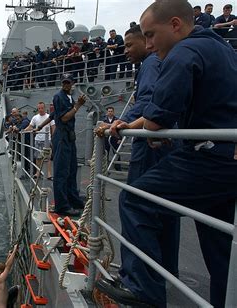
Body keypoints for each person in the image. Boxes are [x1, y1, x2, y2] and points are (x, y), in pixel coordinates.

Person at [96, 1, 237, 307]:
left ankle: (144, 291)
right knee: (221, 249)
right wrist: (135, 122)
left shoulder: (183, 53)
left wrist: (132, 125)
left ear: (175, 25)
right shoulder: (222, 48)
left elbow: (158, 119)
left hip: (206, 157)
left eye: (150, 35)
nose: (148, 45)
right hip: (229, 160)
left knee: (135, 199)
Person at [97, 23, 181, 280]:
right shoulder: (159, 63)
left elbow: (147, 102)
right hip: (168, 145)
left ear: (145, 42)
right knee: (165, 209)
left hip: (151, 145)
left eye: (129, 45)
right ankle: (165, 271)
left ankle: (138, 280)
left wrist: (116, 124)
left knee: (135, 204)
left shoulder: (150, 65)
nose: (125, 51)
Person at [51, 73, 86, 216]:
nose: (66, 84)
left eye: (68, 82)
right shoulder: (59, 97)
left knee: (71, 170)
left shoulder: (68, 97)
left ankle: (73, 199)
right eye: (64, 82)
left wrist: (40, 126)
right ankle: (62, 206)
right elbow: (64, 118)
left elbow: (53, 116)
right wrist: (78, 105)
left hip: (69, 137)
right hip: (62, 137)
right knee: (61, 172)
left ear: (72, 83)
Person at [24, 102, 54, 180]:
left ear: (45, 108)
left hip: (47, 139)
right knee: (38, 157)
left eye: (42, 108)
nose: (40, 110)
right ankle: (38, 172)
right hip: (38, 139)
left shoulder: (49, 117)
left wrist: (53, 137)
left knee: (48, 157)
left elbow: (53, 127)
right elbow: (30, 126)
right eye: (39, 108)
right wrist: (24, 130)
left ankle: (49, 174)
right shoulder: (35, 117)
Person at [102, 107, 122, 171]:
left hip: (115, 139)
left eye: (111, 111)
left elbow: (119, 130)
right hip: (106, 139)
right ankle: (105, 167)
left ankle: (118, 168)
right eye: (109, 111)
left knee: (116, 153)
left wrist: (120, 138)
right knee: (105, 153)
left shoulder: (116, 120)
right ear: (107, 112)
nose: (110, 112)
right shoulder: (104, 120)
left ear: (113, 112)